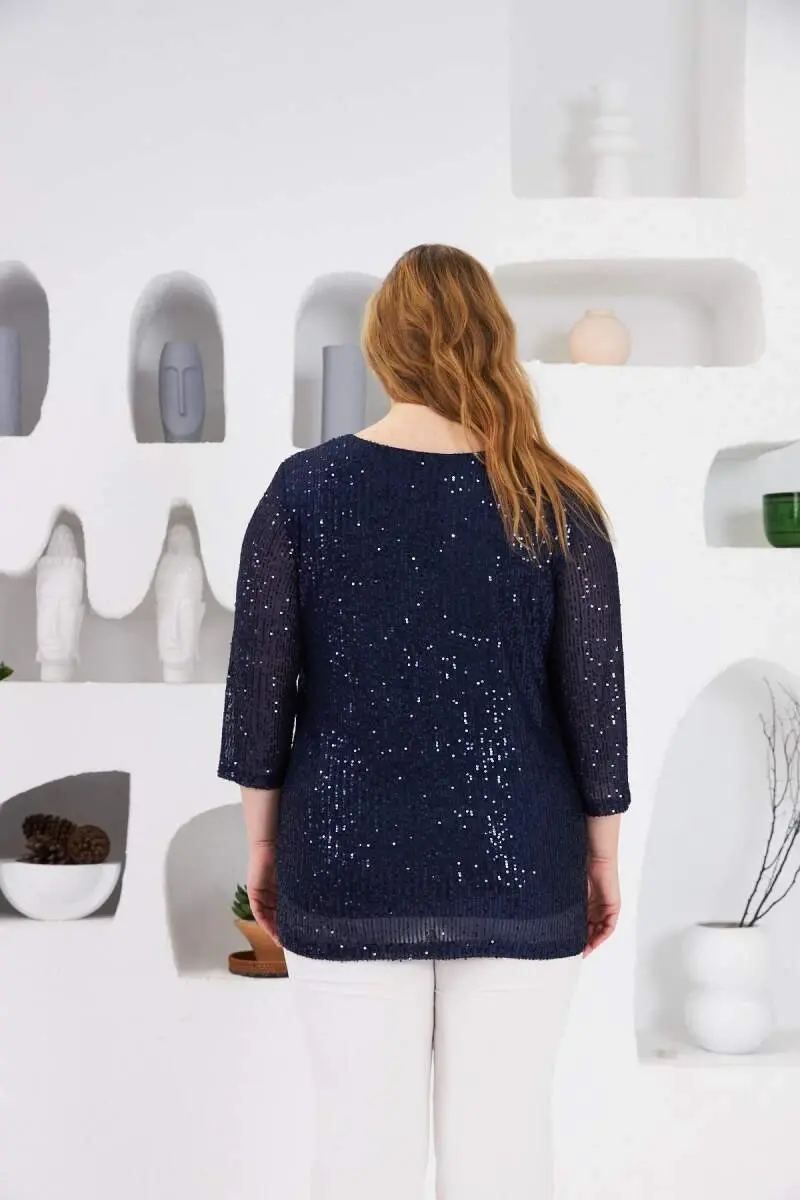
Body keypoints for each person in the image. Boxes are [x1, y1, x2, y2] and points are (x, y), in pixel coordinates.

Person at [217, 244, 631, 1200]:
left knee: (360, 1151)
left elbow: (258, 696)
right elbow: (596, 703)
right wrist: (602, 857)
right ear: (494, 338)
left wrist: (263, 847)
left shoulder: (304, 490)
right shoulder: (555, 496)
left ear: (382, 346)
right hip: (523, 861)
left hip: (342, 856)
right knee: (504, 1153)